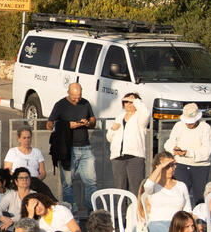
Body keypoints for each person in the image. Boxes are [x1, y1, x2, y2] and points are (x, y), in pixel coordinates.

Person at [47, 81, 97, 215]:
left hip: (85, 146)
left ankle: (91, 210)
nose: (77, 99)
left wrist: (88, 123)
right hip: (68, 148)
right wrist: (68, 125)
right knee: (68, 183)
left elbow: (93, 121)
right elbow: (49, 124)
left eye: (79, 96)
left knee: (91, 181)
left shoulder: (85, 103)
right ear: (68, 93)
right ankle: (69, 211)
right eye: (74, 97)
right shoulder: (60, 105)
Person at [164, 103, 211, 204]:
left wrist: (187, 153)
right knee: (179, 195)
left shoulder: (205, 128)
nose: (189, 124)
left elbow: (206, 151)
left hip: (200, 166)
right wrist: (174, 149)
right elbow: (168, 143)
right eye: (187, 122)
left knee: (199, 197)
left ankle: (199, 218)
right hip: (180, 164)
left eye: (191, 122)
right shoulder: (178, 126)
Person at [105, 91, 150, 196]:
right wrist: (112, 129)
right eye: (125, 102)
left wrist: (136, 100)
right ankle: (122, 211)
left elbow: (146, 112)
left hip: (134, 157)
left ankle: (136, 211)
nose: (128, 104)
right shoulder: (119, 117)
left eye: (130, 102)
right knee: (120, 188)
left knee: (136, 187)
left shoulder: (140, 117)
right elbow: (109, 138)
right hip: (117, 157)